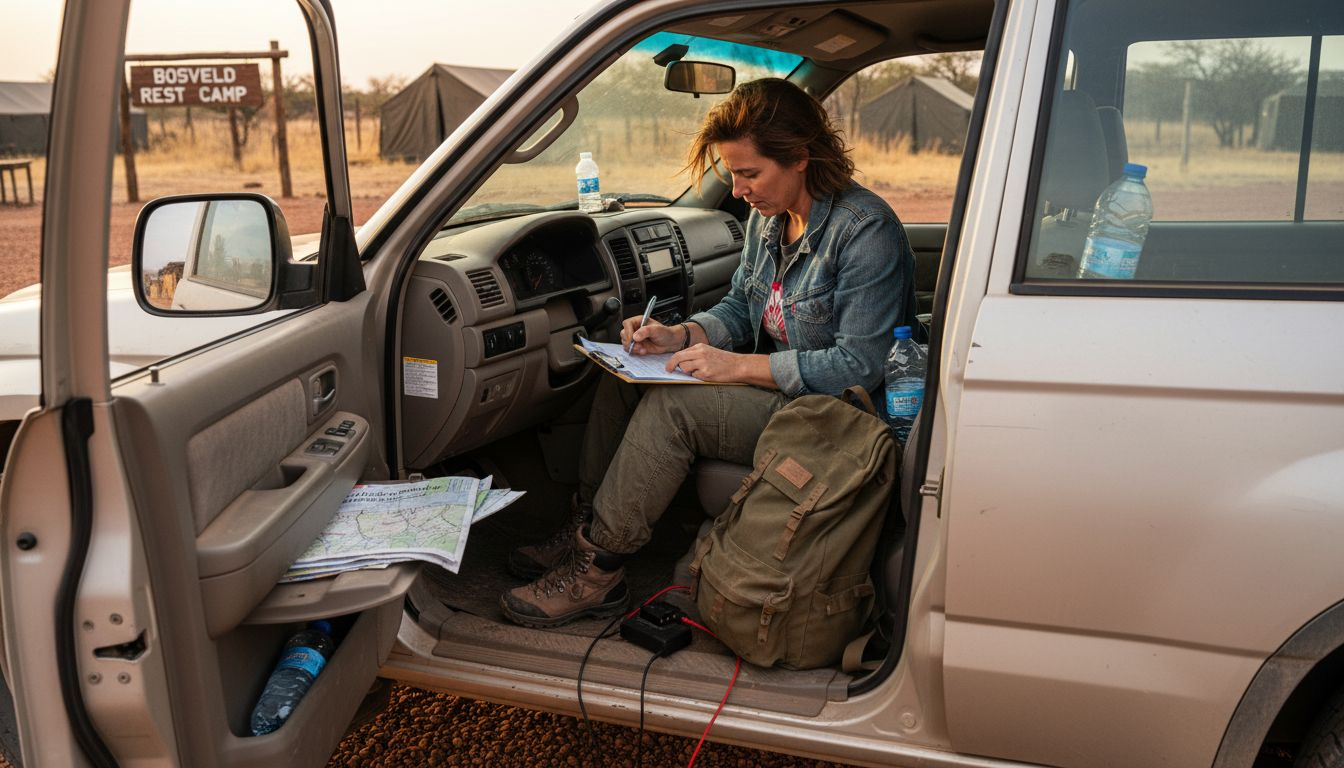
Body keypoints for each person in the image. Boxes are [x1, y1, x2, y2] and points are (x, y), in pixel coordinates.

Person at [500, 78, 916, 628]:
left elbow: (857, 366)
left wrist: (737, 366)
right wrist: (682, 336)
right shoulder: (766, 219)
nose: (739, 190)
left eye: (750, 173)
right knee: (624, 378)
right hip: (783, 392)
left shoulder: (864, 231)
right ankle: (585, 525)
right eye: (733, 174)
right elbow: (743, 309)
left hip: (834, 419)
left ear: (800, 158)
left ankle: (598, 571)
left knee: (675, 408)